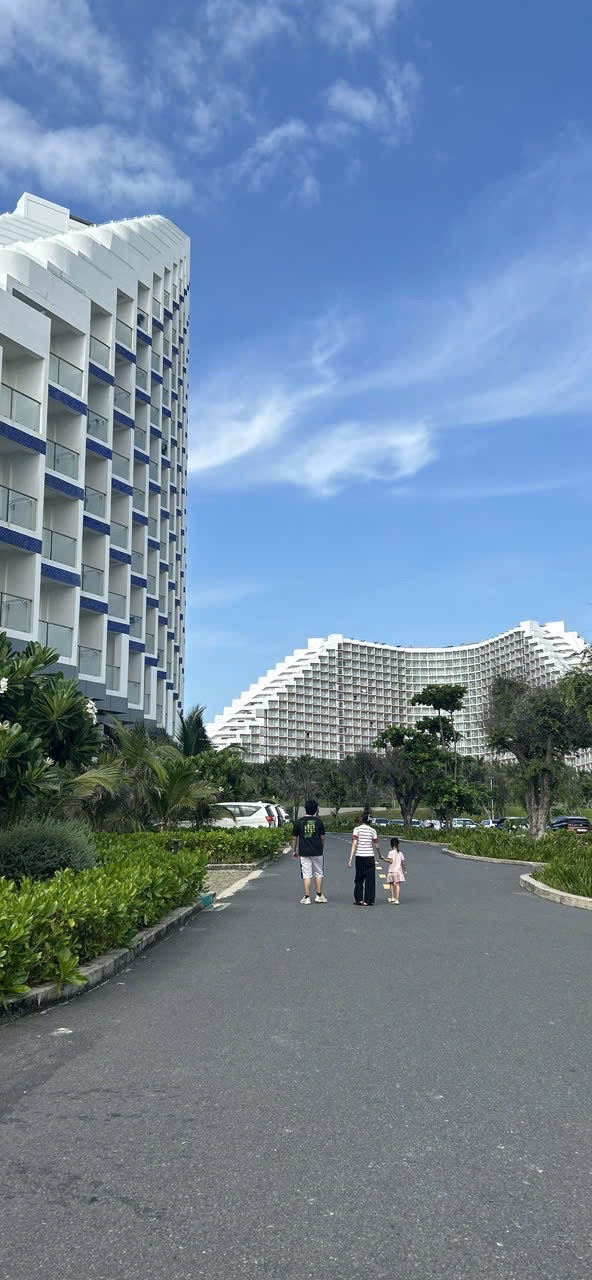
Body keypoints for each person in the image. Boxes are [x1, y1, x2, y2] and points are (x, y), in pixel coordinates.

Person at [291, 798, 327, 904]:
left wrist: (294, 850)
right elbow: (322, 838)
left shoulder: (299, 822)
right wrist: (321, 847)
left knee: (306, 874)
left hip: (304, 852)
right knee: (319, 872)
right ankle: (319, 895)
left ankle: (307, 897)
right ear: (316, 810)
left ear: (305, 809)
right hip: (317, 851)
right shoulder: (319, 822)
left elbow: (294, 838)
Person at [349, 809, 381, 905]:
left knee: (359, 878)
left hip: (359, 856)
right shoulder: (373, 831)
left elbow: (354, 844)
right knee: (370, 879)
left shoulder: (357, 830)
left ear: (362, 819)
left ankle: (359, 899)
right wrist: (380, 855)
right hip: (370, 856)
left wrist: (350, 859)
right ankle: (368, 900)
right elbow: (376, 845)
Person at [385, 836, 406, 904]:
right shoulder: (400, 853)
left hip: (391, 871)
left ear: (391, 844)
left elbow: (390, 861)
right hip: (398, 871)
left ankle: (392, 897)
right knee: (397, 885)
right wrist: (405, 870)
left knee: (391, 884)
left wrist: (384, 859)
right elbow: (403, 863)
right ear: (398, 844)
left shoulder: (390, 852)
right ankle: (397, 899)